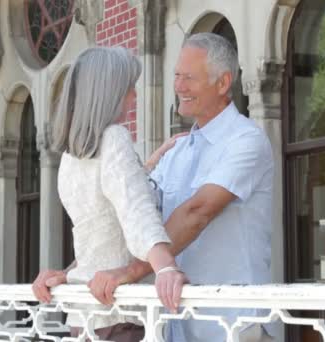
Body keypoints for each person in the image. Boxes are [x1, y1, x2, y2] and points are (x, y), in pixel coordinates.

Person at [88, 33, 275, 342]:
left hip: (232, 327)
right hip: (176, 327)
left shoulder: (246, 140)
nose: (178, 86)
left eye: (189, 77)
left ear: (223, 82)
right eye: (176, 75)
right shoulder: (176, 152)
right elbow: (136, 216)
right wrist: (69, 272)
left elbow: (197, 212)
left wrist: (130, 273)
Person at [31, 46, 187, 341]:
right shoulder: (115, 138)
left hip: (83, 316)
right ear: (108, 92)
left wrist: (67, 273)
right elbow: (136, 212)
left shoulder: (71, 156)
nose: (134, 96)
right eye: (128, 88)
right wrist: (166, 268)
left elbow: (102, 225)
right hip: (118, 315)